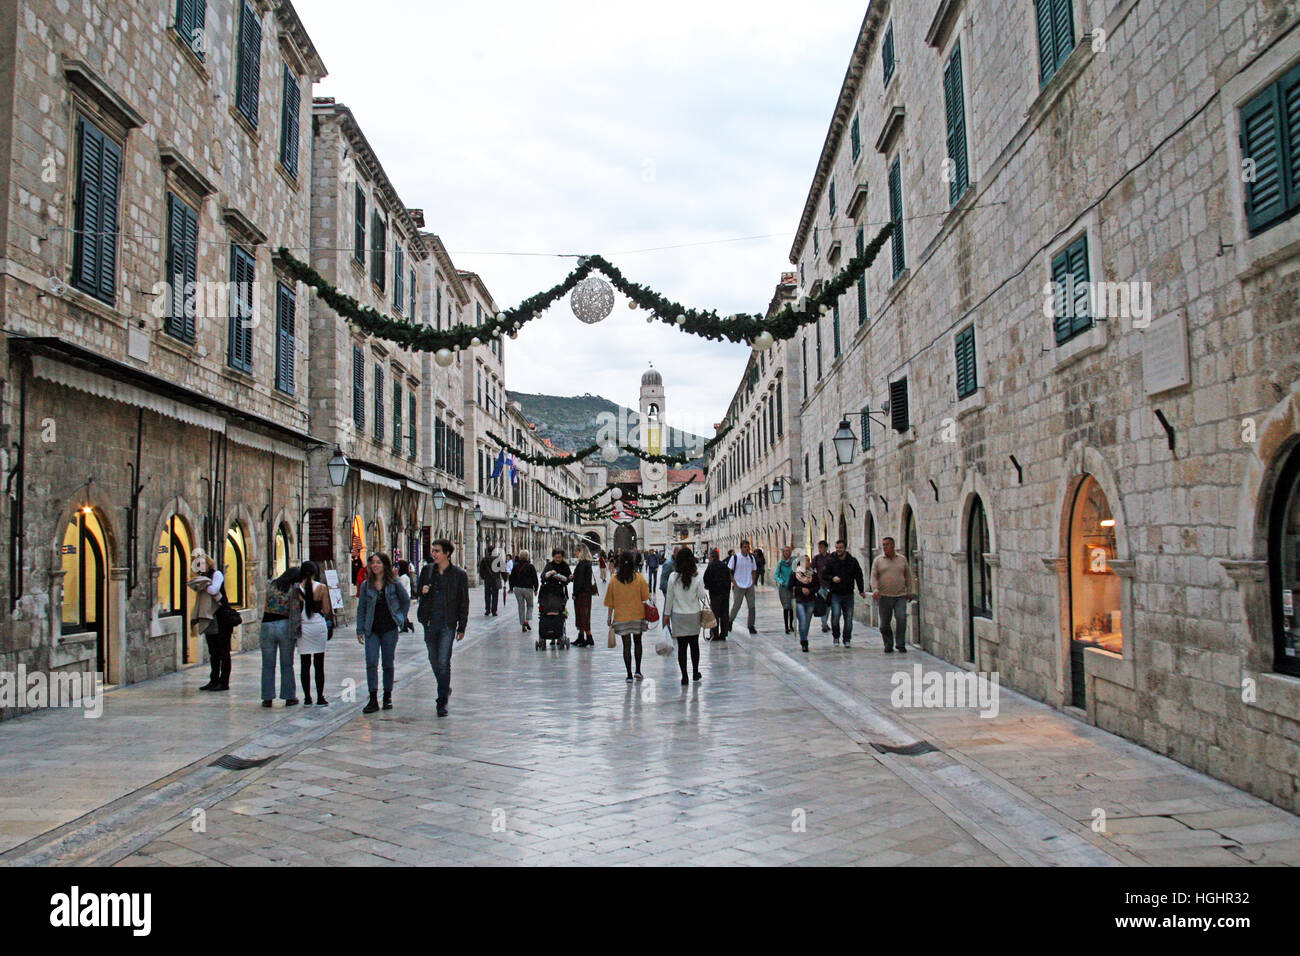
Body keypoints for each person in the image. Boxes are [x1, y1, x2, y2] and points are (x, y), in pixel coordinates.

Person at [417, 538, 470, 717]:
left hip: (448, 623)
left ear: (447, 553)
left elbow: (464, 601)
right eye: (433, 551)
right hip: (430, 622)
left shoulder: (458, 574)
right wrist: (422, 591)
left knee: (443, 661)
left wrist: (462, 626)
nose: (434, 554)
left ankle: (441, 701)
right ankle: (444, 687)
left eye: (437, 551)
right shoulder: (427, 571)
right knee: (433, 660)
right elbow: (417, 592)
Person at [355, 551, 410, 714]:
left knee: (387, 662)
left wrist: (400, 618)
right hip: (372, 628)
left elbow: (406, 600)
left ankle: (387, 695)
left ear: (385, 565)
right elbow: (362, 608)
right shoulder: (366, 585)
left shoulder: (393, 583)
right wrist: (360, 628)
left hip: (389, 628)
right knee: (371, 662)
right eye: (373, 562)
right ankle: (373, 697)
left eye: (378, 562)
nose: (375, 565)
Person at [258, 564, 302, 707]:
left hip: (267, 625)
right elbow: (295, 610)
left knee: (267, 664)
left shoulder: (270, 584)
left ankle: (267, 697)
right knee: (287, 663)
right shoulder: (293, 590)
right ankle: (289, 696)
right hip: (284, 624)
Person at [604, 551, 650, 682]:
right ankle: (638, 671)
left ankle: (629, 674)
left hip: (621, 616)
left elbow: (610, 600)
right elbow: (645, 596)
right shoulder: (639, 578)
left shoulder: (614, 579)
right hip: (637, 614)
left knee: (626, 645)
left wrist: (609, 616)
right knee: (638, 642)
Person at [663, 549, 706, 685]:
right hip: (693, 614)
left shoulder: (673, 577)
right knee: (694, 645)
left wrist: (666, 615)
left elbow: (669, 598)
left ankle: (684, 676)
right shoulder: (697, 577)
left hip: (678, 615)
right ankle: (695, 672)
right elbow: (702, 595)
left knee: (682, 647)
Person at [871, 536, 916, 653]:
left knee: (901, 619)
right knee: (884, 624)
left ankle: (900, 644)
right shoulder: (878, 560)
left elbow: (908, 576)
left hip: (900, 595)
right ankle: (888, 644)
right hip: (884, 596)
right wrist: (875, 589)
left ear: (893, 546)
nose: (885, 547)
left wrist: (910, 591)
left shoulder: (902, 559)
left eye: (887, 544)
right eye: (883, 545)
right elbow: (873, 577)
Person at [297, 561, 333, 705]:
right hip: (318, 626)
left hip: (303, 627)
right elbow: (326, 610)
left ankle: (307, 698)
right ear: (314, 573)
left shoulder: (296, 589)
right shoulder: (321, 588)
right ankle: (320, 697)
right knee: (319, 664)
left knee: (304, 664)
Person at [199, 554, 236, 691]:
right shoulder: (203, 578)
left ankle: (224, 682)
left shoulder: (217, 574)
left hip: (222, 619)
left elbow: (214, 589)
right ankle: (213, 680)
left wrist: (203, 584)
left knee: (224, 652)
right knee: (213, 651)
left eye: (202, 564)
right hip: (211, 618)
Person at [822, 539, 866, 647]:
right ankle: (836, 637)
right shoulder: (831, 560)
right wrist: (832, 578)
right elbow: (824, 574)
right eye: (837, 548)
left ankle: (847, 639)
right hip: (835, 594)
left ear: (845, 548)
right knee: (836, 616)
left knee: (848, 618)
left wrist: (861, 590)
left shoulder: (852, 561)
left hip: (848, 594)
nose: (838, 550)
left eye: (840, 548)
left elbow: (859, 576)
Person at [727, 540, 759, 635]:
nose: (747, 549)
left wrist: (752, 581)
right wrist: (734, 582)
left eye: (748, 547)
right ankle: (730, 621)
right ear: (741, 548)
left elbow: (754, 570)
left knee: (752, 606)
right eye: (745, 547)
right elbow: (729, 570)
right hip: (739, 585)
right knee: (736, 605)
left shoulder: (751, 558)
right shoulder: (735, 558)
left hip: (749, 585)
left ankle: (751, 625)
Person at [571, 545, 598, 647]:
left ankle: (589, 637)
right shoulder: (587, 563)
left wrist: (575, 593)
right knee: (582, 614)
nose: (575, 553)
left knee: (583, 615)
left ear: (580, 552)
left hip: (582, 594)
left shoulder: (582, 564)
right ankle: (581, 636)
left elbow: (580, 581)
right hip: (586, 593)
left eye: (576, 551)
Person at [792, 556, 819, 652]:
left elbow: (817, 586)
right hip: (799, 601)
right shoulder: (795, 574)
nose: (808, 562)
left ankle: (804, 637)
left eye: (809, 561)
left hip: (810, 601)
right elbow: (791, 587)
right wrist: (801, 589)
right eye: (806, 561)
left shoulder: (813, 575)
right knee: (802, 621)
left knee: (807, 623)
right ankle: (804, 641)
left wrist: (810, 590)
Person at [703, 549, 731, 641]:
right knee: (724, 613)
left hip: (715, 594)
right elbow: (728, 578)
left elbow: (706, 578)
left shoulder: (711, 566)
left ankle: (714, 634)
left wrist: (707, 586)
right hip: (725, 594)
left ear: (712, 557)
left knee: (715, 614)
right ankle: (724, 633)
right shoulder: (724, 565)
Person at [508, 549, 539, 632]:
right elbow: (535, 578)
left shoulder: (515, 566)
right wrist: (536, 588)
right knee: (530, 605)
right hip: (528, 588)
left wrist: (511, 588)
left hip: (518, 589)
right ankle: (527, 620)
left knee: (521, 606)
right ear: (527, 557)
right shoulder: (530, 566)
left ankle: (523, 626)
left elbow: (511, 578)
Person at [811, 540, 833, 633]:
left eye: (821, 547)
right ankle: (824, 624)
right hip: (820, 585)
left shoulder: (831, 557)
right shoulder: (816, 558)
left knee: (828, 605)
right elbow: (811, 569)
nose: (820, 549)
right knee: (822, 604)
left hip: (830, 585)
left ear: (826, 548)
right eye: (819, 547)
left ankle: (825, 623)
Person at [774, 545, 795, 634]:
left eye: (788, 551)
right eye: (785, 551)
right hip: (784, 587)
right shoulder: (780, 563)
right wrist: (781, 581)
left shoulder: (794, 562)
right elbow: (776, 575)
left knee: (792, 607)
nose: (787, 552)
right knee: (786, 607)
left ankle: (791, 625)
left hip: (792, 587)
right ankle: (786, 626)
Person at [658, 546, 677, 638]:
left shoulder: (675, 562)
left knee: (672, 609)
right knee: (667, 609)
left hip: (674, 591)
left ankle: (671, 629)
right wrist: (668, 591)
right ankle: (666, 630)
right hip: (668, 590)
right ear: (675, 553)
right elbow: (663, 579)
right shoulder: (668, 564)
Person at [478, 548, 500, 616]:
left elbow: (481, 569)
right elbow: (502, 569)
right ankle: (494, 611)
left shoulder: (484, 559)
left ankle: (487, 609)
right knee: (495, 595)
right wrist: (504, 578)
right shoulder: (497, 559)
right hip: (495, 579)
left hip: (487, 579)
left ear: (487, 551)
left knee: (487, 594)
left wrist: (483, 577)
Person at [396, 560, 416, 633]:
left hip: (404, 598)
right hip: (405, 597)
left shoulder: (404, 577)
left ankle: (408, 625)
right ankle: (405, 627)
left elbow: (401, 587)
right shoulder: (404, 576)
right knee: (403, 612)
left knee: (402, 613)